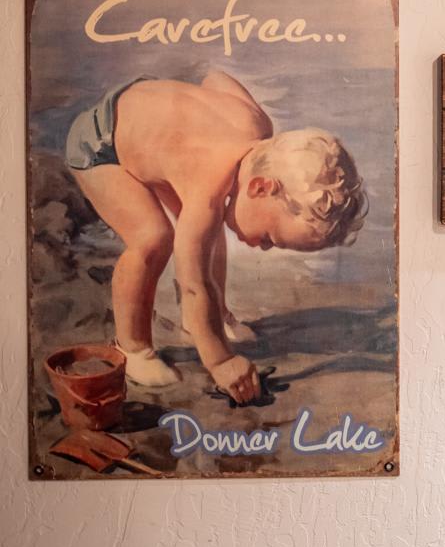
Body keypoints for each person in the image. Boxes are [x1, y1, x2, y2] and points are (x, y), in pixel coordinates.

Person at [65, 70, 365, 403]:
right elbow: (194, 284)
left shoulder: (258, 127)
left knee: (204, 235)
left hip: (142, 116)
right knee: (153, 238)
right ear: (260, 186)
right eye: (269, 237)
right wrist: (221, 360)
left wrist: (176, 123)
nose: (263, 247)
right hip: (101, 144)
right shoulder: (207, 190)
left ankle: (210, 319)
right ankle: (133, 348)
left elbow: (215, 80)